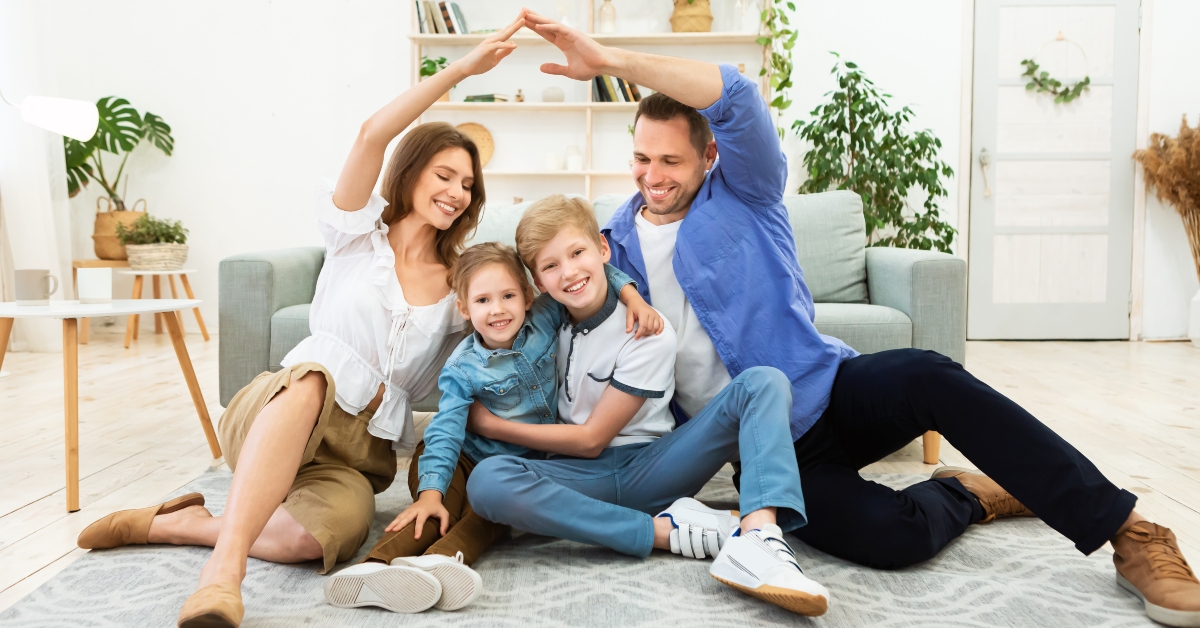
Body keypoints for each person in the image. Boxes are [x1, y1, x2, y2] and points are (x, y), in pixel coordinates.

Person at [520, 10, 1200, 627]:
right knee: (889, 537)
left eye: (671, 160)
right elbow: (548, 290)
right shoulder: (610, 244)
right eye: (641, 159)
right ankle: (967, 495)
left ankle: (1132, 533)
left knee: (932, 376)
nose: (653, 175)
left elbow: (736, 95)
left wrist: (609, 60)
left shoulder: (748, 189)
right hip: (767, 452)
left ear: (710, 156)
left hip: (831, 390)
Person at [74, 12, 530, 628]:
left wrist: (622, 293)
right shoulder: (356, 235)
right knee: (315, 377)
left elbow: (526, 305)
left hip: (357, 454)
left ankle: (183, 524)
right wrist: (463, 70)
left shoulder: (459, 289)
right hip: (282, 406)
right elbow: (371, 134)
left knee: (310, 542)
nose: (456, 191)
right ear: (411, 172)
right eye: (443, 174)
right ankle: (222, 577)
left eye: (467, 185)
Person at [464, 195, 831, 617]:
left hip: (653, 468)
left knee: (763, 382)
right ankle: (665, 532)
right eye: (550, 266)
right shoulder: (545, 318)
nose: (569, 272)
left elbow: (591, 440)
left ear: (603, 248)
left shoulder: (648, 331)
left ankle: (758, 537)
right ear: (538, 284)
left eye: (578, 253)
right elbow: (498, 307)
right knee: (487, 481)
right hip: (579, 477)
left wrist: (490, 425)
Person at [321, 244, 664, 613]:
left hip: (515, 472)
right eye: (483, 300)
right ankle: (374, 568)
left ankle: (439, 564)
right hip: (460, 458)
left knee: (484, 518)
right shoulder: (462, 368)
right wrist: (430, 493)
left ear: (528, 297)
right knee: (435, 512)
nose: (498, 309)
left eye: (508, 296)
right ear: (465, 309)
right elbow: (445, 432)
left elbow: (594, 275)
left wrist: (633, 297)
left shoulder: (545, 317)